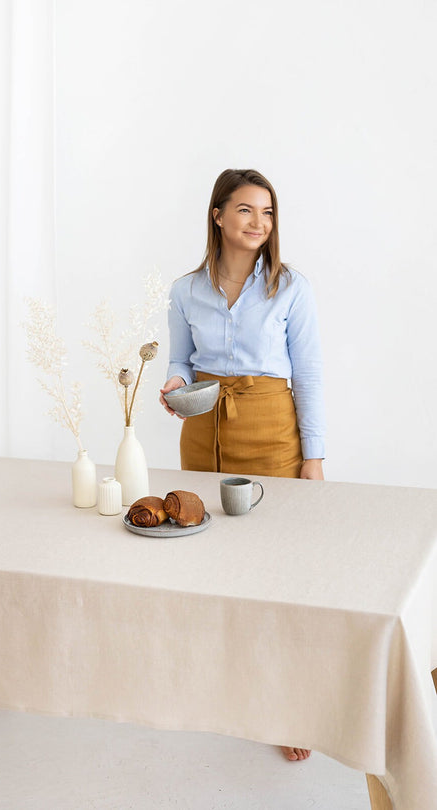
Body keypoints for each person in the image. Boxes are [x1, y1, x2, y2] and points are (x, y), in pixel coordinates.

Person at [159, 168, 325, 762]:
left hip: (271, 427)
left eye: (269, 213)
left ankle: (289, 708)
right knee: (208, 561)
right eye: (247, 211)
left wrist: (315, 456)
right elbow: (180, 356)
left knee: (280, 571)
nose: (260, 223)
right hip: (203, 428)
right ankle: (227, 692)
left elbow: (307, 374)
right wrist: (174, 383)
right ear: (218, 215)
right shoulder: (186, 289)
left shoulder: (290, 287)